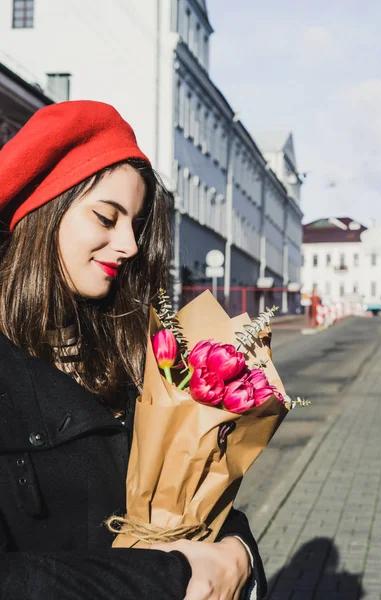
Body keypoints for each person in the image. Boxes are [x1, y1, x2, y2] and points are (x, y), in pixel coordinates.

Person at [0, 100, 267, 600]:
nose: (130, 244)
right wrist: (174, 577)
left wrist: (239, 553)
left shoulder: (135, 352)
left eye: (136, 223)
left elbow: (193, 493)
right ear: (41, 213)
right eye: (106, 217)